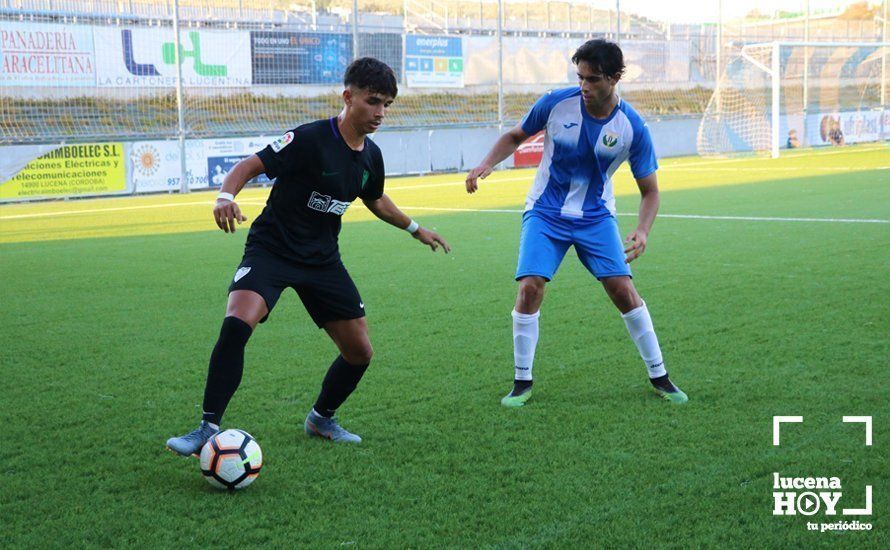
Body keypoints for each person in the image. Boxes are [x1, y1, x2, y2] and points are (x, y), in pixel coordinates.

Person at [167, 57, 450, 454]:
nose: (380, 112)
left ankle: (321, 419)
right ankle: (207, 428)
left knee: (359, 353)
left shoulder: (371, 156)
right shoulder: (309, 138)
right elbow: (250, 166)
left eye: (387, 104)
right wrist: (225, 197)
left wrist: (416, 230)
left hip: (322, 260)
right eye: (373, 101)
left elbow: (376, 199)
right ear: (348, 97)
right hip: (272, 249)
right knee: (236, 322)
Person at [465, 39, 687, 407]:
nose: (584, 86)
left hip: (596, 218)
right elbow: (514, 136)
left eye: (594, 79)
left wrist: (643, 230)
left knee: (623, 291)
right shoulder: (556, 103)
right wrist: (488, 162)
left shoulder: (632, 127)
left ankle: (660, 376)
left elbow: (650, 192)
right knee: (530, 287)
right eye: (580, 77)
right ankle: (522, 382)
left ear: (615, 78)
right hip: (545, 212)